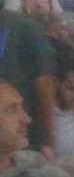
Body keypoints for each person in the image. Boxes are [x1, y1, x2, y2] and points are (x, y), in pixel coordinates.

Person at [0, 9, 57, 152]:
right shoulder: (25, 27)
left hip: (18, 131)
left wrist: (49, 140)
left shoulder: (20, 27)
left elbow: (44, 85)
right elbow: (44, 85)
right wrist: (50, 141)